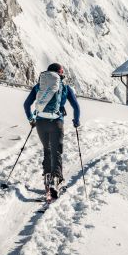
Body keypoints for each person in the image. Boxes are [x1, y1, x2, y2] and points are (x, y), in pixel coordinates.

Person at [23, 63, 80, 197]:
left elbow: (26, 104)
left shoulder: (39, 87)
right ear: (60, 74)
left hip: (41, 123)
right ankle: (56, 180)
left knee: (47, 150)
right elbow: (76, 107)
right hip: (56, 123)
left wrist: (31, 119)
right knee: (56, 152)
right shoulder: (65, 88)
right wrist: (76, 121)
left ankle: (47, 179)